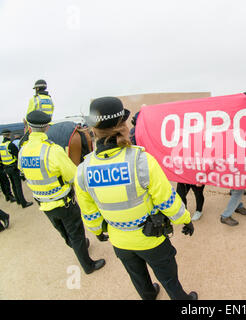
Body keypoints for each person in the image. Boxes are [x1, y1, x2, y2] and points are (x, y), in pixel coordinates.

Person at [75, 97, 197, 300]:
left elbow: (89, 212)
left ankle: (149, 296)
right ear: (122, 126)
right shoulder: (141, 161)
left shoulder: (83, 171)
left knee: (138, 278)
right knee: (168, 277)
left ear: (93, 130)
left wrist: (97, 230)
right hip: (151, 239)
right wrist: (184, 219)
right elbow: (167, 201)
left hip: (119, 239)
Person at [18, 111, 105, 274]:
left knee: (62, 231)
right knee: (76, 232)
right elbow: (73, 175)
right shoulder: (52, 150)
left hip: (43, 203)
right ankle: (88, 266)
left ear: (29, 128)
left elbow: (22, 172)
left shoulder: (22, 151)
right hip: (63, 202)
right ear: (46, 127)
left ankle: (74, 245)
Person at [0, 129, 33, 208]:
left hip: (6, 167)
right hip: (13, 167)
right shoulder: (10, 145)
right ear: (9, 134)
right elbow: (18, 156)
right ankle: (23, 202)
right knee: (18, 186)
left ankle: (18, 200)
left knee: (13, 185)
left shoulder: (1, 145)